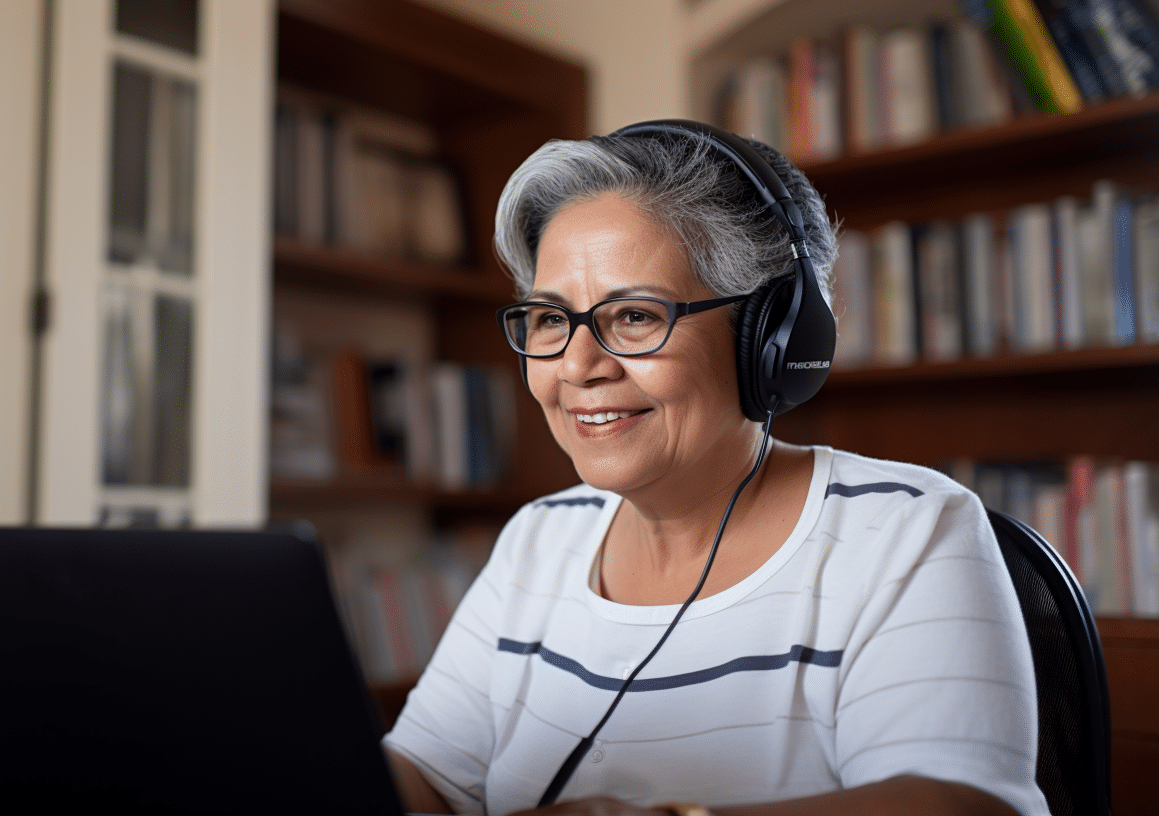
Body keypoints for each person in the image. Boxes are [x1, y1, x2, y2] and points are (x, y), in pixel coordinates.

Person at [379, 121, 1049, 816]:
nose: (576, 368)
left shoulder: (904, 529)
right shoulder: (539, 538)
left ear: (771, 341)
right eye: (550, 320)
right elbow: (427, 777)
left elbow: (962, 803)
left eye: (634, 315)